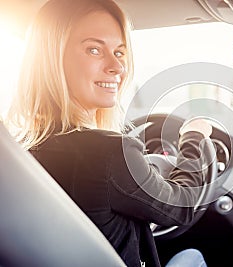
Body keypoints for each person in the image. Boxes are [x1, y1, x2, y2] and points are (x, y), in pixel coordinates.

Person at [6, 0, 211, 266]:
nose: (118, 67)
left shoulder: (19, 149)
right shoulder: (111, 153)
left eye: (119, 52)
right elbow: (182, 207)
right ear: (51, 59)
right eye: (94, 49)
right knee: (192, 257)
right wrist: (194, 138)